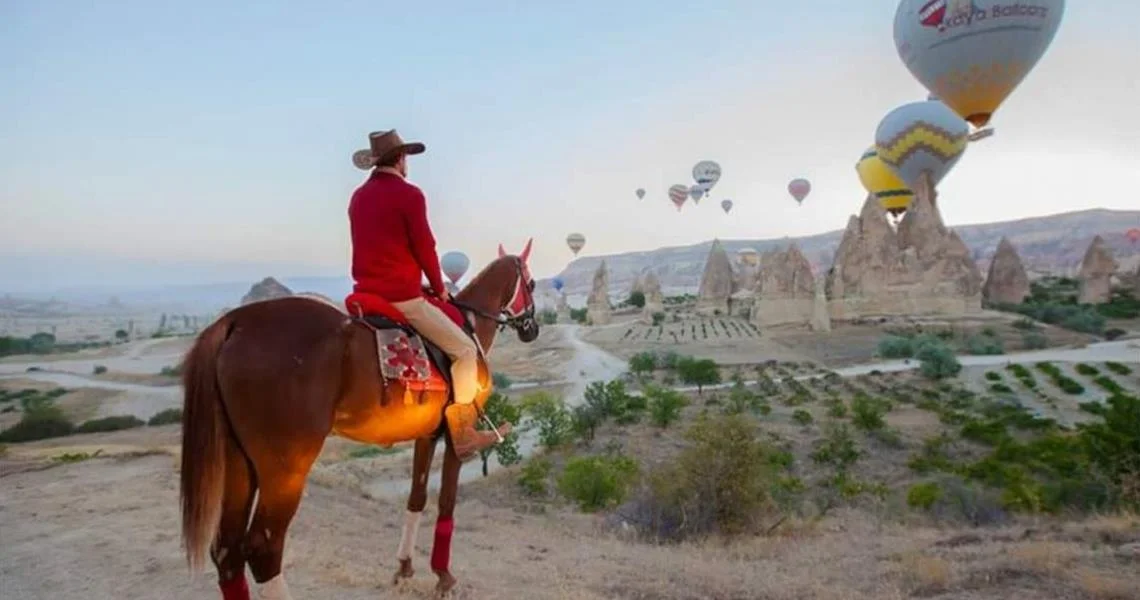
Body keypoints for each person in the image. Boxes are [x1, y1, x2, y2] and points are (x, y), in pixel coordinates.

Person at [348, 129, 507, 459]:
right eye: (407, 159)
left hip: (365, 292)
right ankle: (462, 433)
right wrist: (438, 288)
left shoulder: (358, 197)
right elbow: (425, 247)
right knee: (464, 350)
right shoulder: (410, 195)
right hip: (401, 298)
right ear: (402, 159)